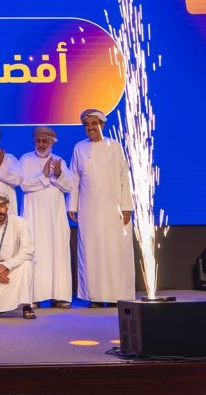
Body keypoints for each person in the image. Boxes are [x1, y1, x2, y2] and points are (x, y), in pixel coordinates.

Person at [68, 109, 134, 307]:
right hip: (88, 209)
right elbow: (74, 178)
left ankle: (115, 296)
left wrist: (127, 206)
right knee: (90, 252)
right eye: (87, 125)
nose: (90, 128)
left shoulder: (115, 146)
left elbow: (125, 178)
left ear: (102, 125)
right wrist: (72, 204)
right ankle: (93, 296)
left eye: (94, 124)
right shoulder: (79, 148)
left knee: (114, 251)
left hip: (114, 210)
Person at [18, 127, 75, 308]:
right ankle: (34, 296)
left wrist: (58, 174)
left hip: (54, 216)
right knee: (34, 250)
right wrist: (43, 176)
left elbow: (69, 186)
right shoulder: (25, 159)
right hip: (34, 215)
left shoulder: (59, 161)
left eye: (45, 141)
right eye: (38, 141)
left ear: (52, 143)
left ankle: (59, 295)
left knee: (57, 251)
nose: (41, 144)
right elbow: (24, 185)